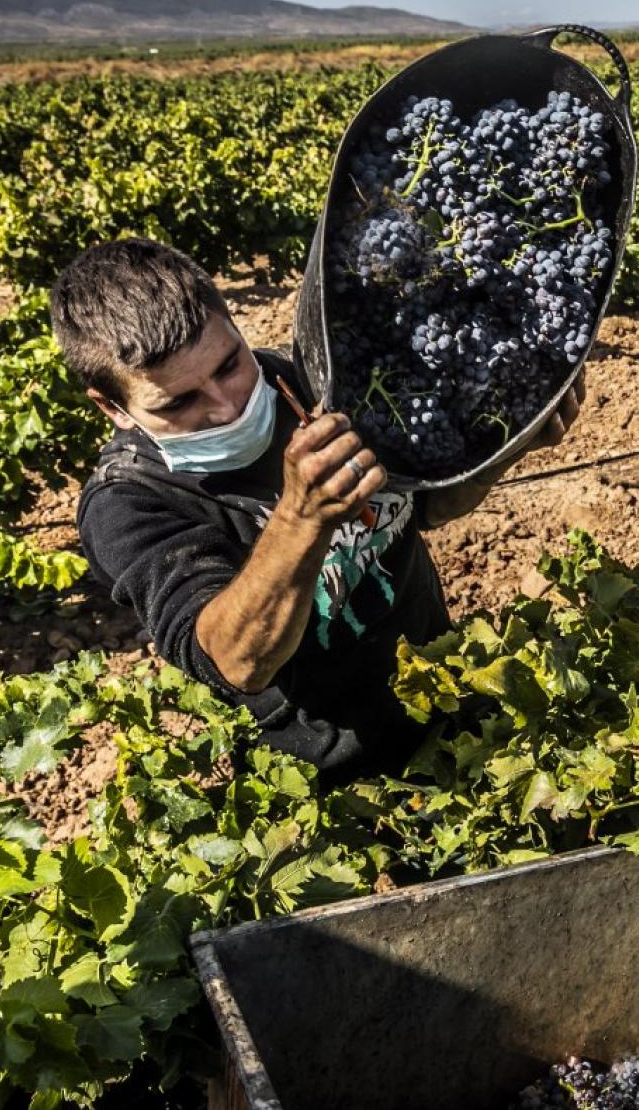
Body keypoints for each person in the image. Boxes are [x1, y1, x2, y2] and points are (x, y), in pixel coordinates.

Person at [53, 238, 582, 783]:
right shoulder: (130, 502)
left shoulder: (309, 381)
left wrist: (506, 447)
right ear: (112, 407)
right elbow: (238, 662)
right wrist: (301, 518)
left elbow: (424, 504)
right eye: (180, 403)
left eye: (230, 365)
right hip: (335, 788)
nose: (227, 404)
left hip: (446, 700)